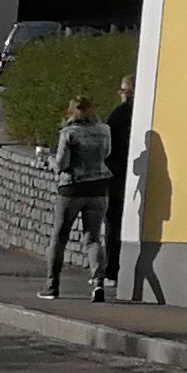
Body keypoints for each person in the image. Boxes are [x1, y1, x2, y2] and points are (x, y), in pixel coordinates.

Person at [46, 95, 115, 303]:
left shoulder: (68, 133)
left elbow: (62, 164)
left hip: (72, 188)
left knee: (59, 237)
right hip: (99, 186)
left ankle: (52, 286)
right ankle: (98, 282)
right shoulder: (105, 130)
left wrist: (47, 160)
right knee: (93, 238)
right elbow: (107, 153)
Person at [99, 72, 133, 298]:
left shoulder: (120, 114)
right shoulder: (149, 112)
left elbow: (107, 146)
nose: (120, 95)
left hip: (117, 176)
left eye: (122, 90)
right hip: (137, 176)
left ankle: (112, 270)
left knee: (113, 224)